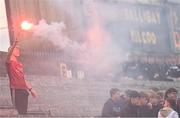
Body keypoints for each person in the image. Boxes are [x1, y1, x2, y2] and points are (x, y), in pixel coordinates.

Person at [6, 39, 37, 114]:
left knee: (24, 113)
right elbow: (8, 55)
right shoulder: (9, 62)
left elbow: (23, 78)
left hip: (24, 91)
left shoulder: (19, 64)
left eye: (19, 49)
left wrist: (31, 89)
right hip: (16, 90)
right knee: (18, 112)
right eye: (16, 49)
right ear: (12, 50)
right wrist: (15, 43)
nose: (18, 50)